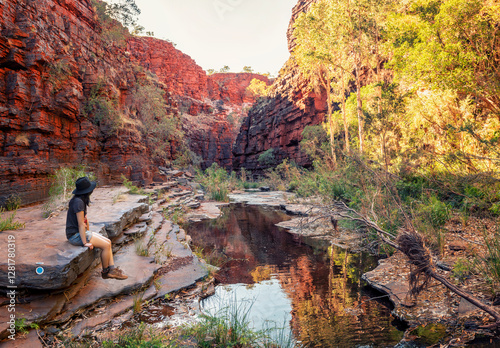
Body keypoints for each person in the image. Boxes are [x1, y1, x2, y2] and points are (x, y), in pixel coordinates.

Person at [66, 177, 128, 280]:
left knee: (108, 242)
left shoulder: (79, 200)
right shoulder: (78, 202)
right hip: (74, 236)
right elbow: (81, 224)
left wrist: (88, 232)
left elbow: (85, 221)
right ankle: (106, 272)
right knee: (105, 246)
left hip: (79, 233)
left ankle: (112, 269)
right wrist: (85, 242)